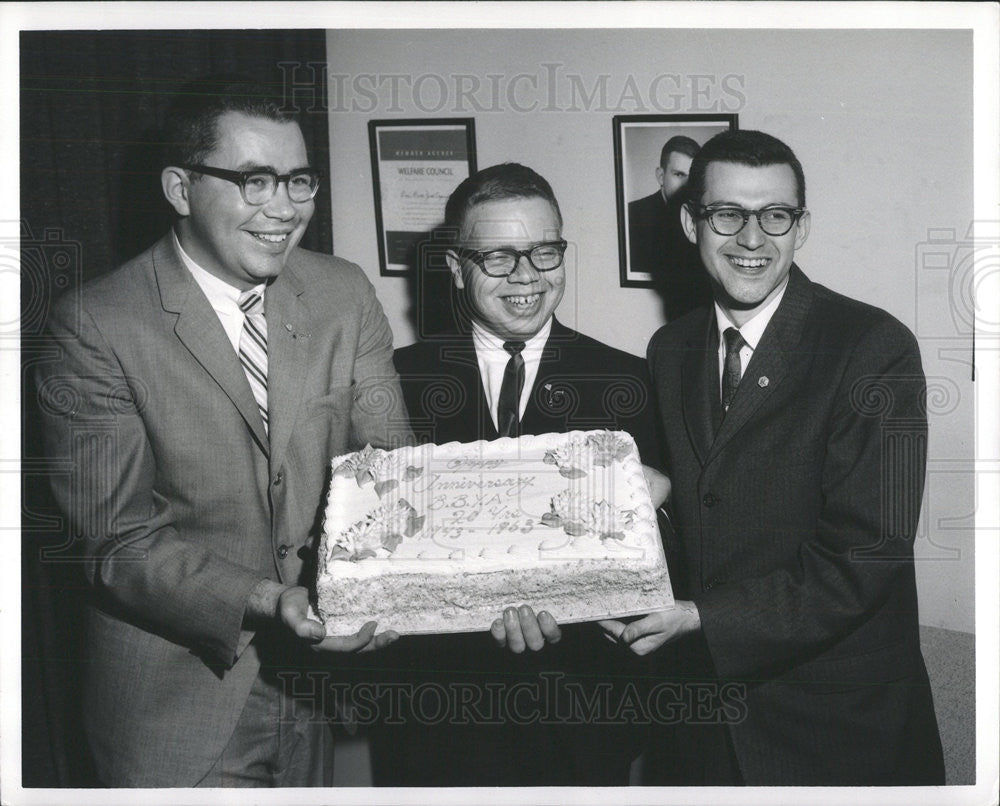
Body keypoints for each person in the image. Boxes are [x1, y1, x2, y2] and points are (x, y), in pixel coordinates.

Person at [34, 78, 409, 787]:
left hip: (315, 690)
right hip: (174, 707)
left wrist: (405, 582)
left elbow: (390, 464)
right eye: (255, 181)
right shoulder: (94, 326)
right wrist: (272, 600)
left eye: (299, 180)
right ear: (180, 188)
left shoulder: (344, 292)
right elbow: (116, 542)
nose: (287, 208)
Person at [603, 129, 945, 785]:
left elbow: (866, 553)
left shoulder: (875, 348)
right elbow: (712, 498)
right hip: (703, 716)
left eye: (775, 216)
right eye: (728, 214)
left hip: (835, 723)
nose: (753, 240)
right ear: (690, 222)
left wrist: (703, 617)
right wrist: (658, 496)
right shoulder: (670, 349)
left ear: (801, 225)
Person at [369, 163, 667, 786]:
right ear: (456, 267)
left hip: (581, 719)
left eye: (545, 251)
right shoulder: (392, 381)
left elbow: (658, 558)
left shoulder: (630, 381)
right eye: (499, 257)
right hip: (439, 723)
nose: (528, 275)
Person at [627, 135, 711, 319]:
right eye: (679, 174)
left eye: (692, 177)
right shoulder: (633, 214)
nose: (686, 185)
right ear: (660, 176)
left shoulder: (707, 219)